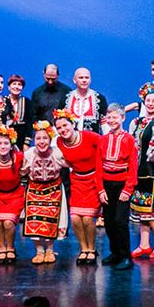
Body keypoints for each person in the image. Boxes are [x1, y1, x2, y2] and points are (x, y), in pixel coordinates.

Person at [53, 109, 105, 264]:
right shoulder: (59, 142)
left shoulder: (90, 137)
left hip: (94, 180)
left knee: (88, 219)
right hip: (77, 181)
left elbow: (105, 149)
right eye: (59, 128)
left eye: (65, 125)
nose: (63, 130)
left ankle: (92, 249)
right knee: (75, 218)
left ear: (72, 124)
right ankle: (84, 249)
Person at [128, 82, 154, 259]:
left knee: (152, 210)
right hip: (138, 170)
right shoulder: (136, 122)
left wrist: (151, 159)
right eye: (148, 100)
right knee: (141, 208)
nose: (151, 103)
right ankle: (144, 243)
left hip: (153, 171)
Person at [98, 104, 137, 268]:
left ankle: (126, 256)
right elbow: (98, 165)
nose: (112, 120)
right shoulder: (103, 139)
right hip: (107, 185)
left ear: (122, 118)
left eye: (115, 117)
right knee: (108, 222)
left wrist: (128, 189)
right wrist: (100, 189)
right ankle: (115, 253)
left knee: (120, 221)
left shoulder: (129, 139)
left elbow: (133, 166)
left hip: (122, 185)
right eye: (109, 117)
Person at [22, 120, 67, 264]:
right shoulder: (29, 154)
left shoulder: (57, 153)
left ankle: (50, 250)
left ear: (50, 139)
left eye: (45, 138)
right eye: (38, 138)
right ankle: (39, 251)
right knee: (35, 220)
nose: (41, 142)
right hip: (35, 189)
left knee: (51, 220)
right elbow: (21, 171)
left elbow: (71, 163)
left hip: (53, 189)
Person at [0, 126, 24, 264]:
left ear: (11, 145)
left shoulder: (18, 158)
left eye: (6, 143)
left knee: (8, 223)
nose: (2, 146)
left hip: (15, 194)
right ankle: (2, 248)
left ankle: (11, 248)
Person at [63, 67, 108, 133]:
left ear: (90, 80)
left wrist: (107, 138)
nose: (84, 80)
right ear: (74, 80)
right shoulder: (66, 98)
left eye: (87, 78)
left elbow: (104, 123)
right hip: (71, 139)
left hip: (93, 139)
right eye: (81, 78)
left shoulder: (99, 98)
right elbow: (59, 121)